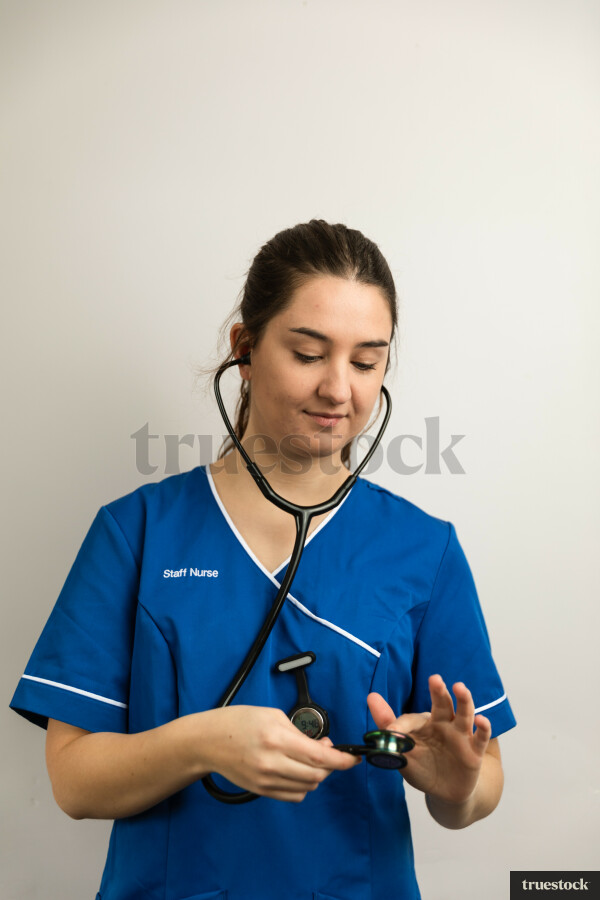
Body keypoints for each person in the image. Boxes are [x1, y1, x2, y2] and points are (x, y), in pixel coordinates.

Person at [11, 219, 516, 900]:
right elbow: (72, 780)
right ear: (245, 350)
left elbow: (480, 778)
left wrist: (458, 791)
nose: (340, 390)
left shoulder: (424, 550)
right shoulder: (137, 533)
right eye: (309, 353)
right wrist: (203, 742)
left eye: (367, 361)